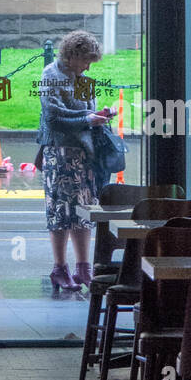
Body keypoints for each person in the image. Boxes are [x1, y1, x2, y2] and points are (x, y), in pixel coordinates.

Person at [37, 29, 113, 292]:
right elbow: (52, 117)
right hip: (59, 153)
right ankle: (60, 268)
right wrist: (87, 120)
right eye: (86, 60)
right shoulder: (50, 75)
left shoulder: (84, 79)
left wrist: (99, 114)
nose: (88, 66)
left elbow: (87, 110)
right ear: (72, 56)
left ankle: (83, 268)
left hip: (83, 154)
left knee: (84, 211)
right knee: (60, 211)